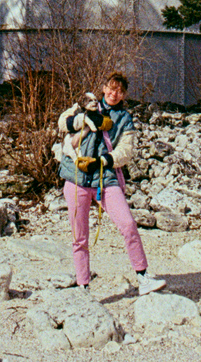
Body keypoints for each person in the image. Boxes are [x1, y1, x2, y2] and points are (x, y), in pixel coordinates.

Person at [57, 71, 165, 294]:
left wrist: (104, 160)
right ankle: (83, 285)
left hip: (105, 178)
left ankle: (143, 276)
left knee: (128, 225)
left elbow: (126, 150)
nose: (114, 94)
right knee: (79, 236)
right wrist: (83, 119)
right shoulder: (84, 106)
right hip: (76, 177)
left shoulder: (124, 119)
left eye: (119, 91)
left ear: (124, 94)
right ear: (104, 88)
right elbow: (62, 123)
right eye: (111, 88)